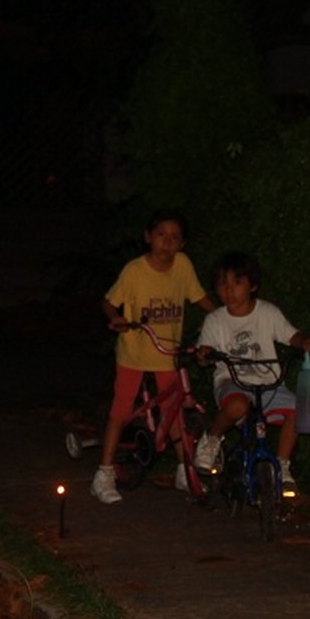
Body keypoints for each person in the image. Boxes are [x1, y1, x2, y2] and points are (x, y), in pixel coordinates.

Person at [93, 209, 215, 504]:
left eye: (174, 238)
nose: (167, 242)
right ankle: (104, 473)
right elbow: (108, 302)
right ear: (148, 237)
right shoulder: (135, 271)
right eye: (161, 235)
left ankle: (183, 469)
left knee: (174, 411)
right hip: (135, 351)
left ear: (182, 244)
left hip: (167, 352)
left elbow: (199, 298)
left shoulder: (183, 266)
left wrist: (224, 319)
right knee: (121, 409)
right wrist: (118, 318)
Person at [192, 251, 310, 496]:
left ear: (253, 285)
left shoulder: (267, 313)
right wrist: (204, 353)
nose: (229, 291)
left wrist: (305, 341)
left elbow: (291, 335)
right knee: (238, 405)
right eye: (222, 285)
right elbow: (204, 351)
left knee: (299, 408)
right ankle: (212, 439)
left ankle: (282, 464)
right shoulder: (215, 320)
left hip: (270, 384)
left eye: (237, 283)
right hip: (233, 382)